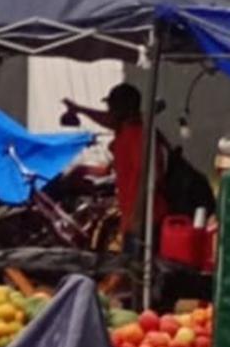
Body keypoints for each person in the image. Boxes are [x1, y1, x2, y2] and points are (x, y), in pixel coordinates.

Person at [62, 83, 164, 237]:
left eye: (112, 107)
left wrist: (137, 218)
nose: (109, 112)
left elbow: (149, 178)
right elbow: (107, 119)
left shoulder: (138, 136)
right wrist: (80, 109)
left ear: (123, 110)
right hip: (134, 218)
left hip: (146, 221)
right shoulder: (126, 128)